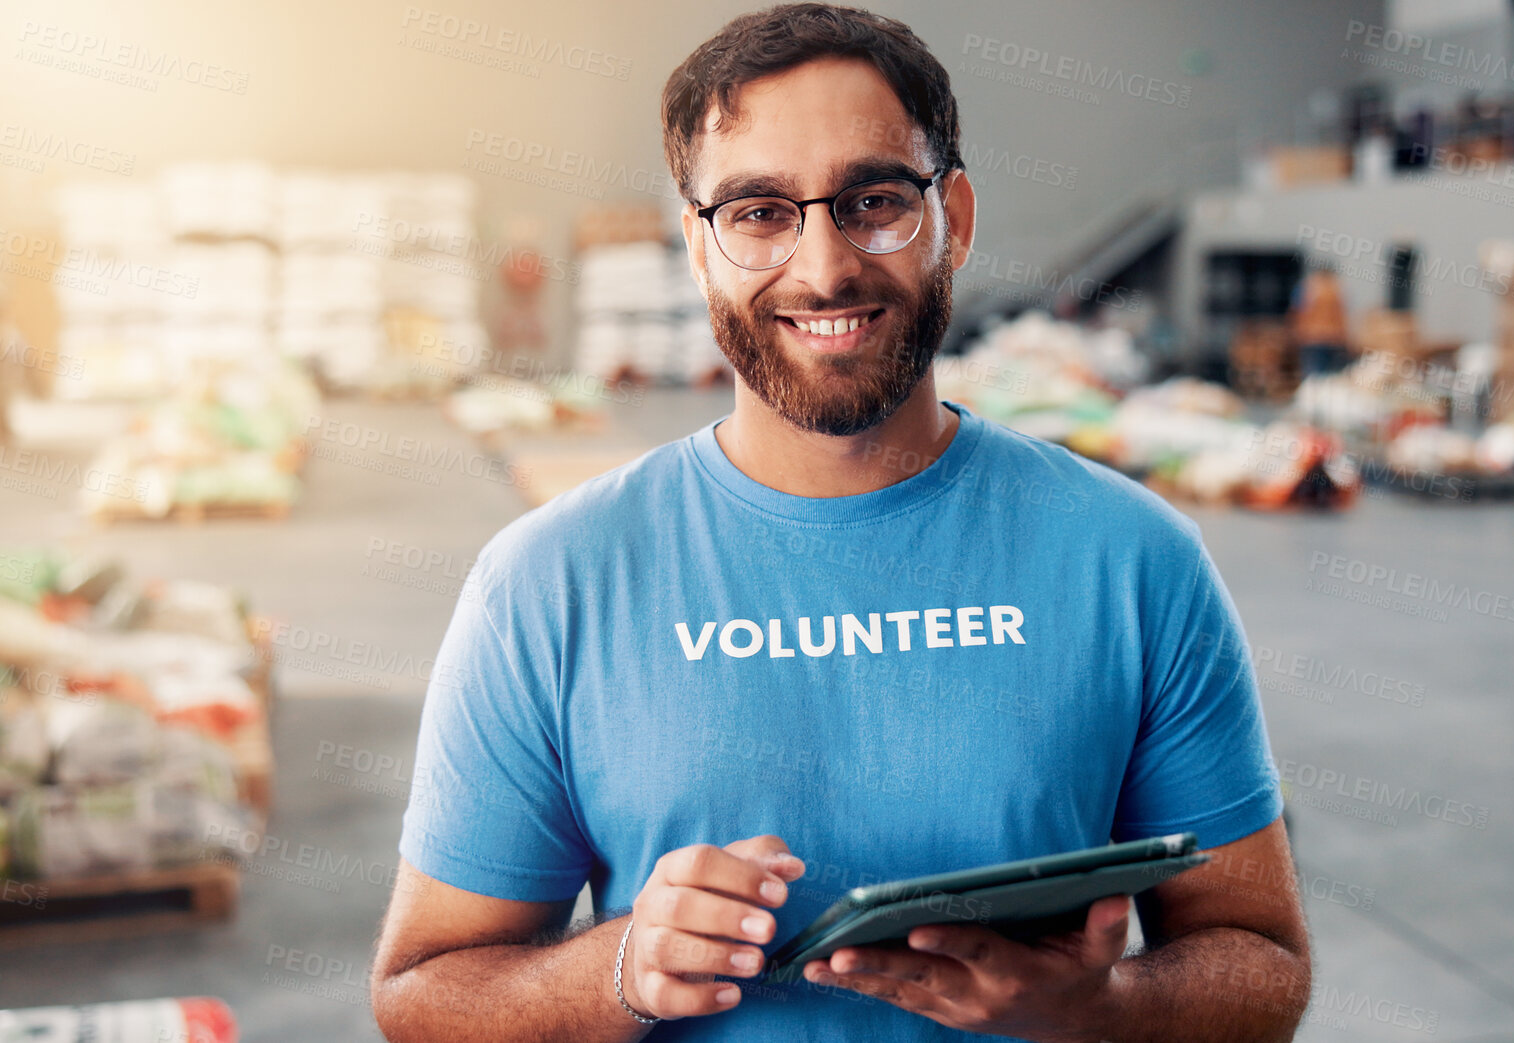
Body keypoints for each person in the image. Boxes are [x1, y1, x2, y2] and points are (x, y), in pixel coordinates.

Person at [370, 5, 1310, 1040]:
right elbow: (421, 998)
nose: (823, 268)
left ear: (953, 211)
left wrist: (1098, 1007)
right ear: (697, 244)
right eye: (761, 212)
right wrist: (623, 967)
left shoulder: (1134, 560)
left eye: (872, 201)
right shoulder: (551, 581)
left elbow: (1262, 963)